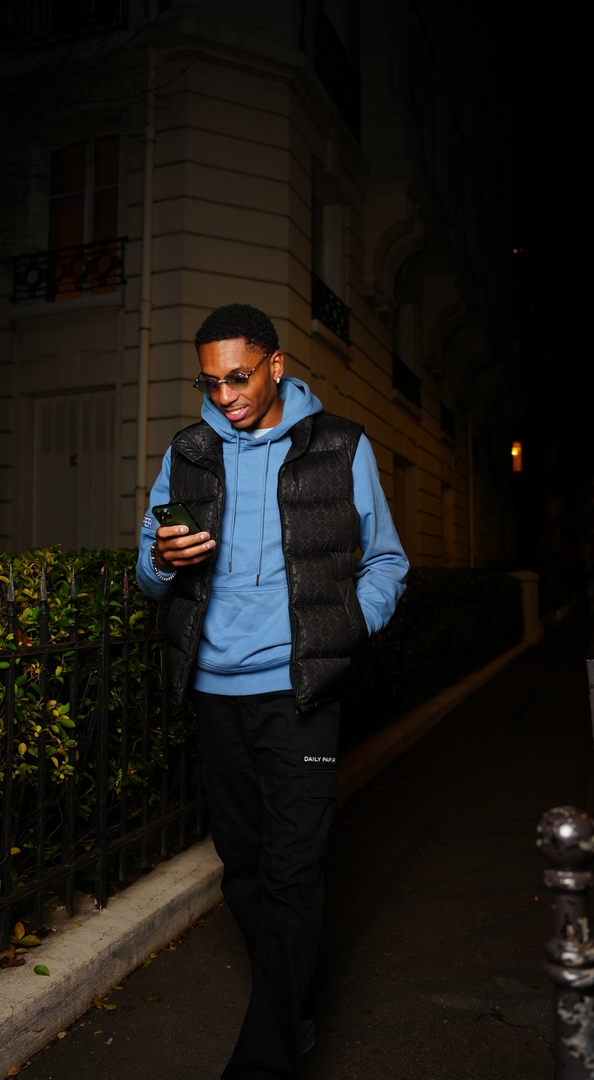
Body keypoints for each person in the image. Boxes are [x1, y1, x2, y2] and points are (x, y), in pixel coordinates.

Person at [136, 304, 408, 1080]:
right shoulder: (188, 453)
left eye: (238, 377)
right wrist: (162, 559)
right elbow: (149, 570)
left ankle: (265, 1059)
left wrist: (345, 626)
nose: (224, 396)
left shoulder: (340, 445)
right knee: (246, 867)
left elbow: (386, 561)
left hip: (299, 694)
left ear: (276, 365)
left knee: (293, 869)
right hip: (214, 694)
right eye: (210, 381)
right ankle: (292, 1004)